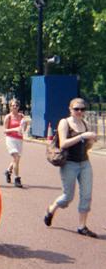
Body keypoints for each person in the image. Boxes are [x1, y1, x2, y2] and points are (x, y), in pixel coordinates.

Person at [44, 99, 98, 237]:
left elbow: (87, 146)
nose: (80, 112)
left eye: (82, 109)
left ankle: (82, 226)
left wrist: (90, 141)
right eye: (76, 109)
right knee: (68, 197)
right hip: (69, 164)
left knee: (86, 195)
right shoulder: (65, 122)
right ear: (70, 109)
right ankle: (51, 209)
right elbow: (63, 144)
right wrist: (82, 136)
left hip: (84, 163)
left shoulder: (84, 123)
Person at [3, 99, 28, 187]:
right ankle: (17, 179)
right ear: (10, 107)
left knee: (16, 160)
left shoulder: (21, 116)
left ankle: (7, 171)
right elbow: (5, 131)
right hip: (10, 139)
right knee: (16, 157)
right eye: (13, 105)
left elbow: (23, 129)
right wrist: (14, 129)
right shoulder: (8, 117)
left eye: (16, 105)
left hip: (19, 140)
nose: (15, 107)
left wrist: (25, 125)